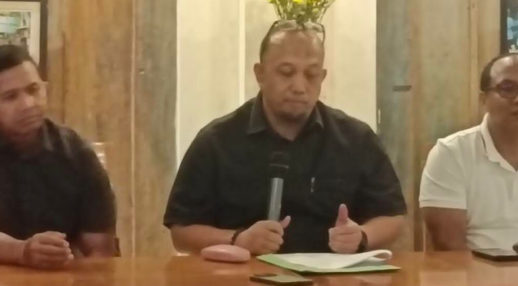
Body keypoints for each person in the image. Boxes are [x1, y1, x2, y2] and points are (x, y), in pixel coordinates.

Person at [164, 20, 406, 254]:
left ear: (322, 77)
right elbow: (182, 231)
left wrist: (361, 236)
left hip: (333, 273)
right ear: (260, 74)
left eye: (311, 75)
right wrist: (238, 239)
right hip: (243, 272)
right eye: (286, 73)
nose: (299, 86)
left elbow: (392, 216)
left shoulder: (356, 139)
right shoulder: (216, 142)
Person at [0, 45, 117, 268]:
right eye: (10, 97)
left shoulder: (77, 154)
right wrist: (21, 251)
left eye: (33, 90)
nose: (28, 104)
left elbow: (100, 250)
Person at [420, 54, 518, 251]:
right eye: (508, 89)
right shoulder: (450, 154)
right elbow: (449, 246)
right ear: (483, 100)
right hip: (474, 266)